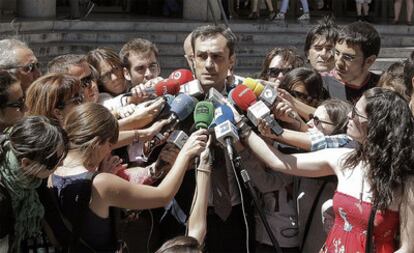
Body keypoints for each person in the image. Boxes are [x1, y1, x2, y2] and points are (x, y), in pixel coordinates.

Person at [243, 87, 414, 252]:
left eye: (356, 113)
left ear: (377, 126)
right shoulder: (345, 159)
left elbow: (408, 248)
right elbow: (279, 162)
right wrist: (242, 128)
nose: (349, 115)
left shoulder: (406, 181)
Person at [50, 102, 208, 252]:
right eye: (110, 144)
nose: (108, 151)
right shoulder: (101, 183)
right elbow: (163, 195)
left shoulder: (52, 172)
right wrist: (185, 154)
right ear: (97, 143)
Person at [0, 116, 68, 252]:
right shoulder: (3, 197)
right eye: (55, 160)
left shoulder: (31, 175)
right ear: (26, 163)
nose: (61, 163)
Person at [322, 22, 381, 103]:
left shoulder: (381, 88)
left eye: (348, 57)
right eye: (337, 53)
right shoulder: (323, 85)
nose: (339, 63)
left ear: (369, 61)